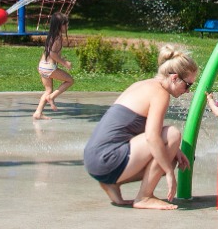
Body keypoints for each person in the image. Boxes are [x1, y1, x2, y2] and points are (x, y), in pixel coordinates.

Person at [83, 45, 197, 210]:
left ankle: (112, 183)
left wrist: (174, 152)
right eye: (188, 85)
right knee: (172, 135)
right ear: (174, 78)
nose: (187, 92)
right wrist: (170, 174)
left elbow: (134, 128)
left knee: (169, 156)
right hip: (107, 158)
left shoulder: (144, 85)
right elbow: (151, 137)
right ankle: (144, 196)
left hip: (95, 159)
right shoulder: (160, 94)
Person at [32, 14, 75, 120]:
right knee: (70, 80)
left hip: (42, 66)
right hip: (49, 67)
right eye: (66, 24)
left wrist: (60, 59)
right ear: (60, 25)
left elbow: (52, 53)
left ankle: (38, 112)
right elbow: (52, 54)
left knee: (48, 89)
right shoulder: (57, 38)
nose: (67, 25)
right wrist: (64, 63)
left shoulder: (51, 36)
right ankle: (51, 97)